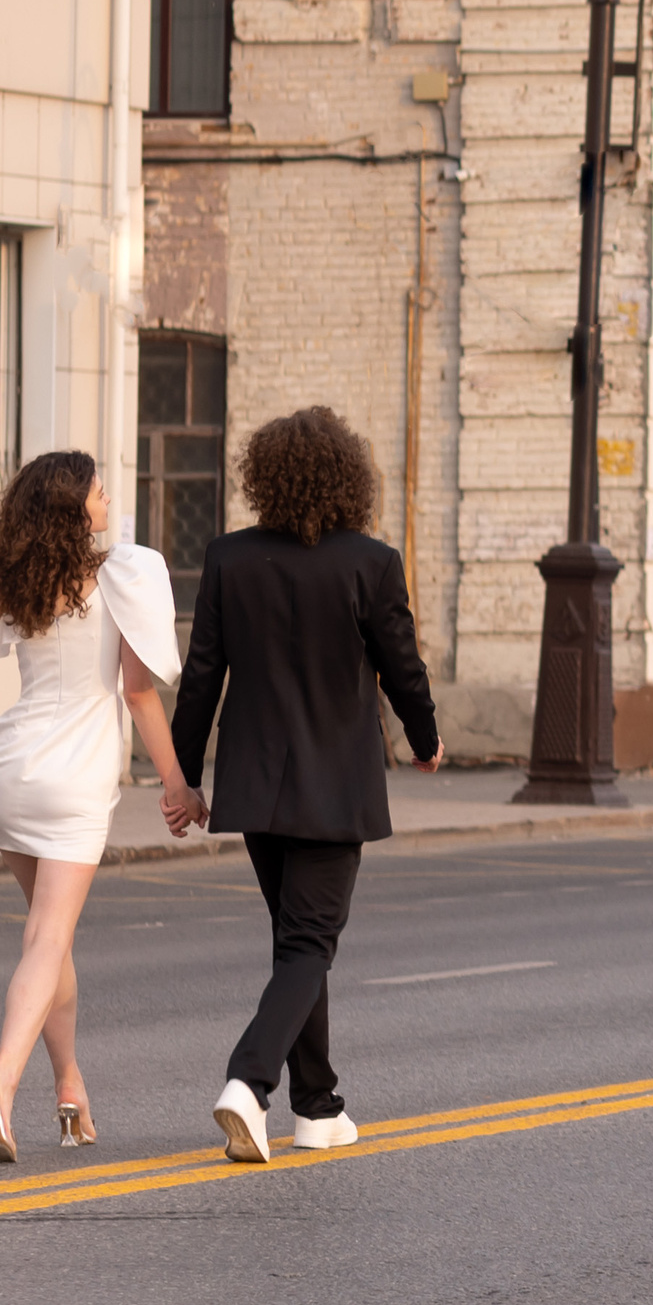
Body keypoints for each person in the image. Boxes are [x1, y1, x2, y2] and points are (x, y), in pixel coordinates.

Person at [0, 450, 189, 1163]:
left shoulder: (12, 575)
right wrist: (175, 783)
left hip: (10, 773)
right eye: (98, 490)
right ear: (74, 508)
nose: (108, 497)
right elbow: (140, 694)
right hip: (76, 778)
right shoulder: (120, 576)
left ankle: (69, 1086)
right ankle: (3, 1074)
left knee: (47, 940)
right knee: (48, 939)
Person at [170, 407, 442, 1164]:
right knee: (308, 944)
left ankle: (318, 1107)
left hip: (257, 787)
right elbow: (403, 668)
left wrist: (184, 777)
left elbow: (202, 680)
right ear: (349, 476)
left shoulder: (228, 558)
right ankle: (248, 1082)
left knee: (298, 944)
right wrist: (427, 741)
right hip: (334, 788)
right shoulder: (371, 562)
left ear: (267, 477)